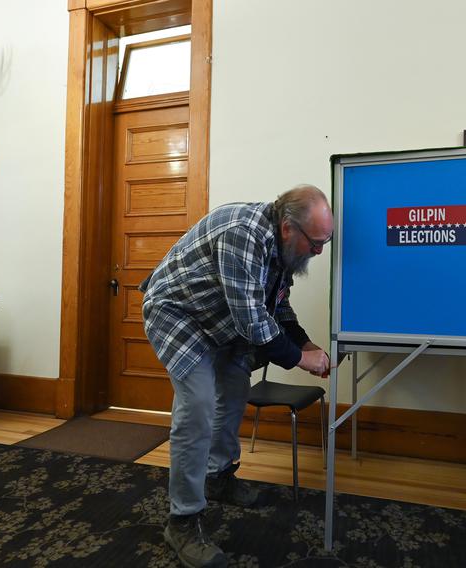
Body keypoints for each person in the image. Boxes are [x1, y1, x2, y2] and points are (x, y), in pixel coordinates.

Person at [140, 184, 333, 568]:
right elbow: (253, 322)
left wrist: (307, 344)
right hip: (178, 314)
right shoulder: (242, 234)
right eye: (315, 243)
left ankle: (218, 478)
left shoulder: (281, 250)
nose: (318, 252)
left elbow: (277, 307)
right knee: (195, 408)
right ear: (288, 229)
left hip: (221, 320)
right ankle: (182, 521)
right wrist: (301, 360)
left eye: (325, 242)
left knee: (234, 391)